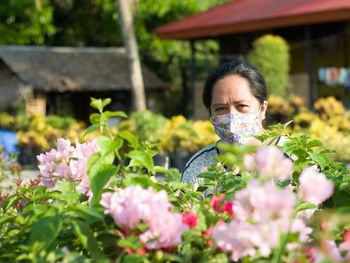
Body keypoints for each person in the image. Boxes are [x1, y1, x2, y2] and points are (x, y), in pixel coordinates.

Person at [181, 60, 288, 185]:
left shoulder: (294, 159)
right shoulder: (198, 168)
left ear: (262, 109)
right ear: (210, 113)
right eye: (220, 108)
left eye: (241, 106)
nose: (232, 116)